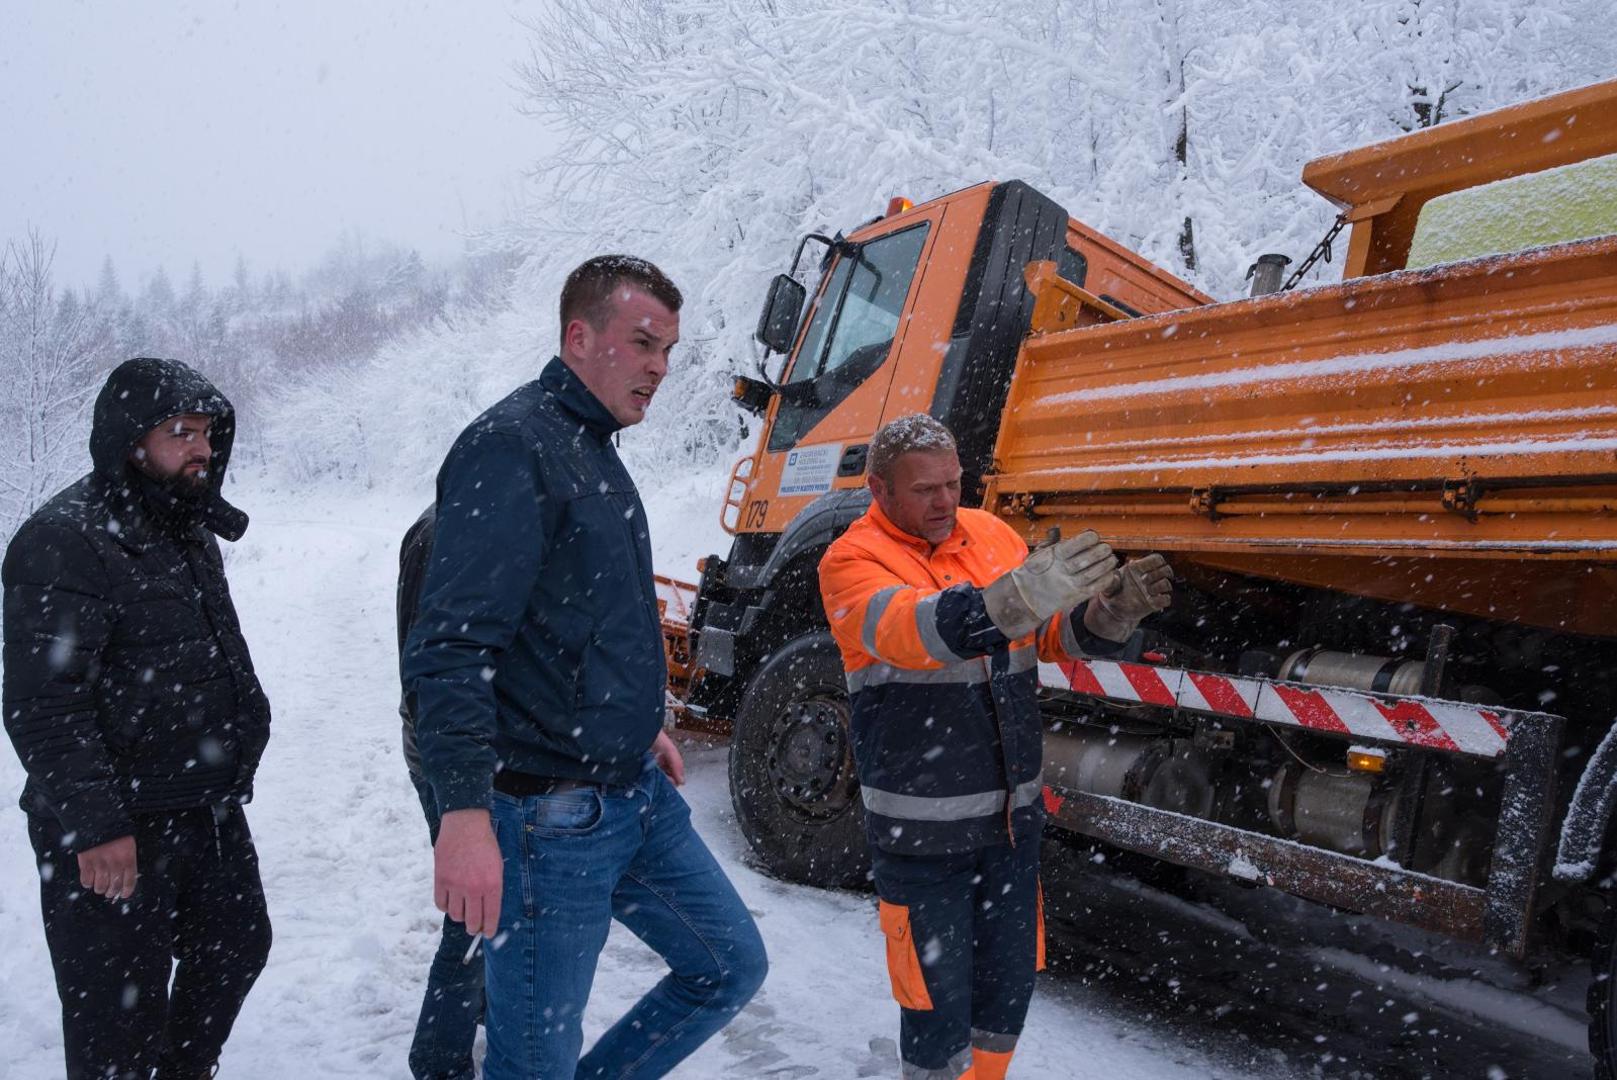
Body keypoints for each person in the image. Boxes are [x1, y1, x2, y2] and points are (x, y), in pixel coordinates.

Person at [402, 255, 768, 1079]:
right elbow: (452, 646)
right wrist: (463, 813)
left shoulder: (590, 446)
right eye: (642, 343)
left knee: (726, 967)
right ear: (578, 336)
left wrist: (639, 723)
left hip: (632, 791)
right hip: (547, 820)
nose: (660, 367)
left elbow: (590, 617)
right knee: (535, 1062)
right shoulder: (510, 448)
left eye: (668, 349)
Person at [818, 414, 1172, 1080]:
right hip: (924, 837)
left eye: (953, 483)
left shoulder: (991, 535)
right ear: (879, 489)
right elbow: (916, 631)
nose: (945, 502)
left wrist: (1107, 614)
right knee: (936, 1011)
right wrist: (1012, 598)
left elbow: (1046, 636)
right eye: (925, 489)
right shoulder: (851, 562)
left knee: (1003, 1002)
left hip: (1010, 826)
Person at [3, 357, 274, 1080]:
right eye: (180, 433)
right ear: (130, 442)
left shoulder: (183, 524)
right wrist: (98, 826)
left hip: (200, 802)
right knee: (116, 1020)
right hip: (113, 820)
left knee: (236, 947)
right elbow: (43, 703)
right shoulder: (66, 539)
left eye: (208, 433)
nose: (201, 449)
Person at [395, 505, 484, 1080]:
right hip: (453, 757)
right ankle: (438, 1059)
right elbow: (434, 670)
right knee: (478, 910)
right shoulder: (448, 532)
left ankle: (483, 1006)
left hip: (465, 751)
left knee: (491, 908)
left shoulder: (474, 519)